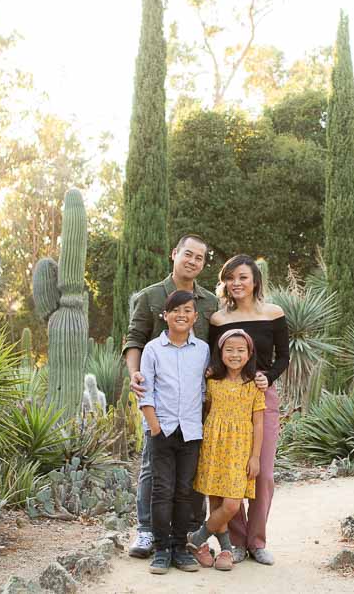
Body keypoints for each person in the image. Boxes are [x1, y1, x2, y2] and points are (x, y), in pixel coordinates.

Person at [123, 235, 218, 559]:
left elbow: (215, 348)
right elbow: (134, 338)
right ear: (174, 254)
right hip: (157, 397)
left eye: (199, 258)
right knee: (154, 465)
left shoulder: (208, 302)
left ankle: (188, 532)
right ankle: (148, 530)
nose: (192, 261)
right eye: (187, 255)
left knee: (193, 467)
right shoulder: (150, 296)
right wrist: (135, 375)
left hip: (194, 401)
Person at [207, 254, 289, 566]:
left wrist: (267, 376)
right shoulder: (218, 319)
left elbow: (284, 356)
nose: (236, 283)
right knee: (228, 473)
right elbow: (215, 361)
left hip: (262, 397)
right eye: (230, 278)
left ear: (255, 280)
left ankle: (257, 541)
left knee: (263, 474)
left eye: (242, 277)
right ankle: (236, 542)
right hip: (227, 402)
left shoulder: (273, 313)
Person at [137, 290, 211, 575]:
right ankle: (161, 549)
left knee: (184, 492)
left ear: (195, 316)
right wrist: (155, 428)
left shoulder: (202, 350)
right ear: (165, 315)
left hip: (191, 432)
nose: (182, 315)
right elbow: (146, 394)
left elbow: (204, 391)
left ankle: (180, 548)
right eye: (176, 310)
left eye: (188, 310)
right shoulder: (153, 350)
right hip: (162, 431)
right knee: (161, 490)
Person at [187, 328, 265, 571]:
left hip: (240, 450)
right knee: (216, 500)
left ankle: (197, 539)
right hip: (214, 447)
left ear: (249, 353)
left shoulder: (254, 385)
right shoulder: (212, 382)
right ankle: (226, 552)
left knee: (232, 504)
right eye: (229, 350)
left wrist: (255, 457)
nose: (234, 354)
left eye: (240, 350)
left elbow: (259, 423)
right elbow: (207, 411)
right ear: (220, 353)